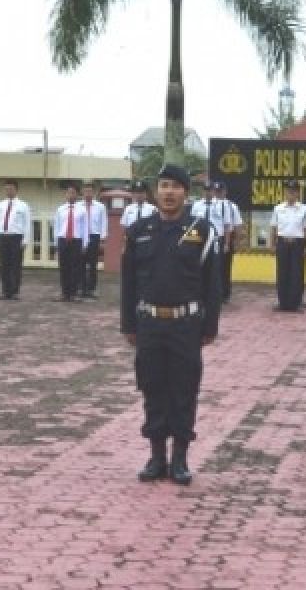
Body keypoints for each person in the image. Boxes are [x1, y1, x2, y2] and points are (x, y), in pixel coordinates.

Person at [121, 163, 221, 485]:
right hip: (149, 323)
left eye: (175, 187)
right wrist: (128, 324)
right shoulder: (139, 231)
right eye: (163, 186)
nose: (169, 192)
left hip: (185, 325)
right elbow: (128, 283)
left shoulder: (201, 231)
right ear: (156, 191)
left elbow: (213, 284)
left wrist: (210, 327)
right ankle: (156, 456)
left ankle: (179, 459)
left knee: (183, 390)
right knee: (152, 387)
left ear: (185, 193)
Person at [271, 179, 306, 312]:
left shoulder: (304, 209)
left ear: (298, 193)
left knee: (297, 274)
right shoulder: (278, 208)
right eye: (288, 192)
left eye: (293, 192)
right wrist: (272, 244)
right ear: (285, 193)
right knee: (282, 273)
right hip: (282, 242)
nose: (291, 194)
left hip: (298, 244)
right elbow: (273, 227)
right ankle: (282, 303)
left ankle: (295, 303)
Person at [0, 179, 31, 300]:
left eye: (11, 188)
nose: (8, 191)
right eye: (6, 189)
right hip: (3, 236)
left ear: (16, 190)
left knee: (15, 265)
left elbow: (27, 224)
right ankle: (5, 291)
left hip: (16, 237)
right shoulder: (0, 205)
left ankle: (14, 291)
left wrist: (25, 240)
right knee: (4, 265)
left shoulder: (23, 205)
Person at [54, 182, 88, 301]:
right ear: (65, 194)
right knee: (64, 267)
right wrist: (56, 244)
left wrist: (84, 244)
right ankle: (65, 293)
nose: (70, 195)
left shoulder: (82, 210)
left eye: (73, 193)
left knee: (75, 268)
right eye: (68, 192)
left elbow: (85, 228)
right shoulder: (60, 209)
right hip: (63, 240)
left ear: (77, 195)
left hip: (76, 241)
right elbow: (57, 227)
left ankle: (73, 294)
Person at [80, 181, 108, 298]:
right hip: (81, 237)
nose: (88, 193)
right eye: (86, 191)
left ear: (94, 192)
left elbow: (104, 223)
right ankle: (82, 288)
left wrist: (102, 239)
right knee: (80, 263)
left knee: (92, 264)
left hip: (94, 236)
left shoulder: (100, 207)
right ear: (82, 192)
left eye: (90, 191)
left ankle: (92, 289)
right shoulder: (78, 206)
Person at [219, 184, 243, 303]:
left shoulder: (231, 206)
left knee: (225, 268)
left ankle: (225, 294)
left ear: (225, 192)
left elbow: (238, 225)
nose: (218, 194)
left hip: (227, 237)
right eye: (216, 191)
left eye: (221, 191)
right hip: (212, 238)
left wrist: (237, 242)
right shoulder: (208, 205)